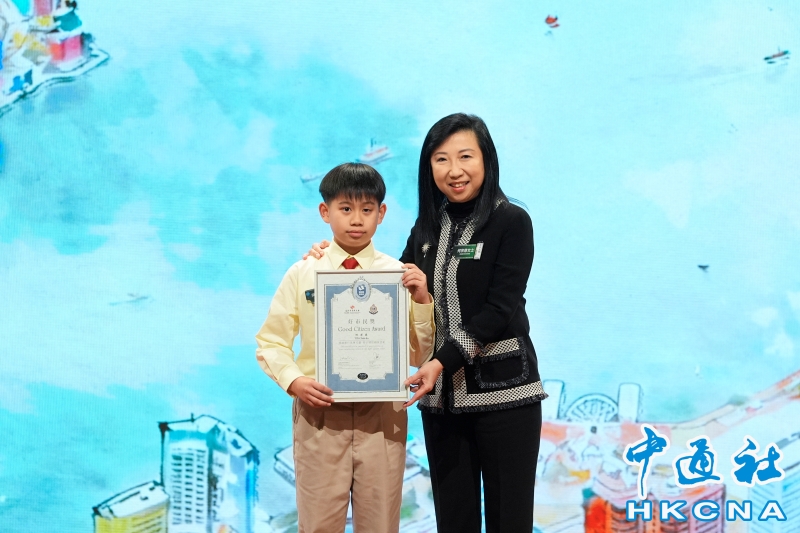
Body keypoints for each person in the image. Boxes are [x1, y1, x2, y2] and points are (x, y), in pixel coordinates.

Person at [306, 113, 547, 533]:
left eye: (465, 156)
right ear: (428, 167)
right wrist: (333, 257)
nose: (454, 170)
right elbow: (386, 285)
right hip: (441, 403)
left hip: (506, 395)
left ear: (486, 159)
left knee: (509, 521)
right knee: (453, 522)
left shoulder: (512, 221)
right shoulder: (426, 228)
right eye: (441, 159)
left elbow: (499, 309)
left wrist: (439, 362)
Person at [255, 162, 435, 533]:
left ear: (381, 214)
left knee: (380, 526)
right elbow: (271, 342)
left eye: (367, 209)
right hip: (319, 414)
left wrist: (421, 301)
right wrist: (294, 381)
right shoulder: (304, 272)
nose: (356, 219)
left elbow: (419, 356)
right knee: (318, 526)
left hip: (382, 417)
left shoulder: (398, 275)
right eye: (346, 208)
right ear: (325, 212)